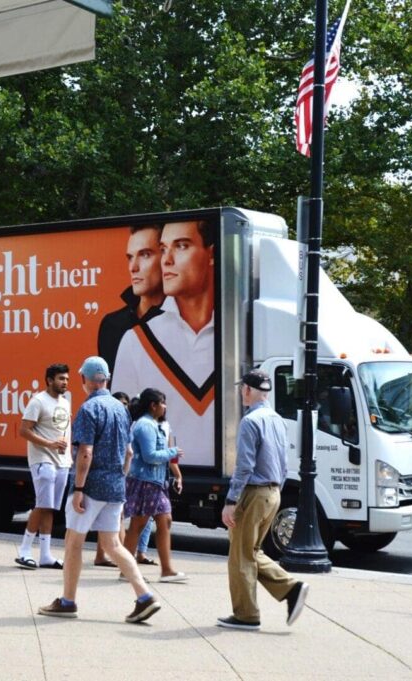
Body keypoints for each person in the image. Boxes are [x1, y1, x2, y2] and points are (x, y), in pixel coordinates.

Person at [38, 357, 161, 624]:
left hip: (92, 485)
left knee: (74, 542)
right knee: (113, 544)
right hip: (115, 486)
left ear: (87, 379)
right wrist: (120, 477)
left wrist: (79, 488)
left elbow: (85, 452)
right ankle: (144, 596)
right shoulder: (121, 408)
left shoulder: (89, 408)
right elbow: (128, 451)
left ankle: (68, 601)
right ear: (105, 379)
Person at [111, 219, 216, 469]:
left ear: (211, 254)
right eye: (163, 249)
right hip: (149, 473)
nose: (166, 260)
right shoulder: (137, 340)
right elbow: (121, 425)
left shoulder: (238, 333)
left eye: (181, 246)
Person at [218, 370, 309, 631]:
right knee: (252, 551)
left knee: (240, 556)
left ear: (248, 389)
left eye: (241, 388)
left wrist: (231, 500)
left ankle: (247, 615)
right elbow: (283, 462)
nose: (239, 393)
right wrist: (276, 490)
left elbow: (244, 465)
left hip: (253, 493)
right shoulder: (277, 419)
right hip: (273, 493)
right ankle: (292, 589)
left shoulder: (250, 421)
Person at [122, 388, 187, 582]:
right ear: (153, 405)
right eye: (163, 403)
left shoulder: (154, 424)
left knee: (163, 521)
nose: (165, 407)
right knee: (138, 524)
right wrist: (172, 452)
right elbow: (150, 456)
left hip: (155, 482)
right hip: (146, 482)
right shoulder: (145, 426)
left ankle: (166, 570)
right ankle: (127, 570)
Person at [14, 363, 72, 570]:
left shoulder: (65, 402)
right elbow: (23, 431)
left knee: (50, 508)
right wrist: (49, 444)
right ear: (49, 380)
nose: (64, 382)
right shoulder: (38, 401)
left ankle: (46, 555)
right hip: (42, 460)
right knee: (41, 504)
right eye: (60, 379)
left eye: (66, 379)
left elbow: (62, 430)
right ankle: (24, 550)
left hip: (62, 462)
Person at [97, 225, 165, 379]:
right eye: (130, 257)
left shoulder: (181, 320)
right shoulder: (112, 324)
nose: (133, 267)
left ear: (166, 258)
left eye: (145, 255)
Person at [93, 391, 130, 568]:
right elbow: (127, 453)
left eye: (125, 404)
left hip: (111, 476)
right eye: (120, 403)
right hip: (113, 477)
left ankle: (101, 555)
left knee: (106, 520)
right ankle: (123, 560)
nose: (123, 406)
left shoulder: (121, 422)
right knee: (118, 519)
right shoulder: (118, 423)